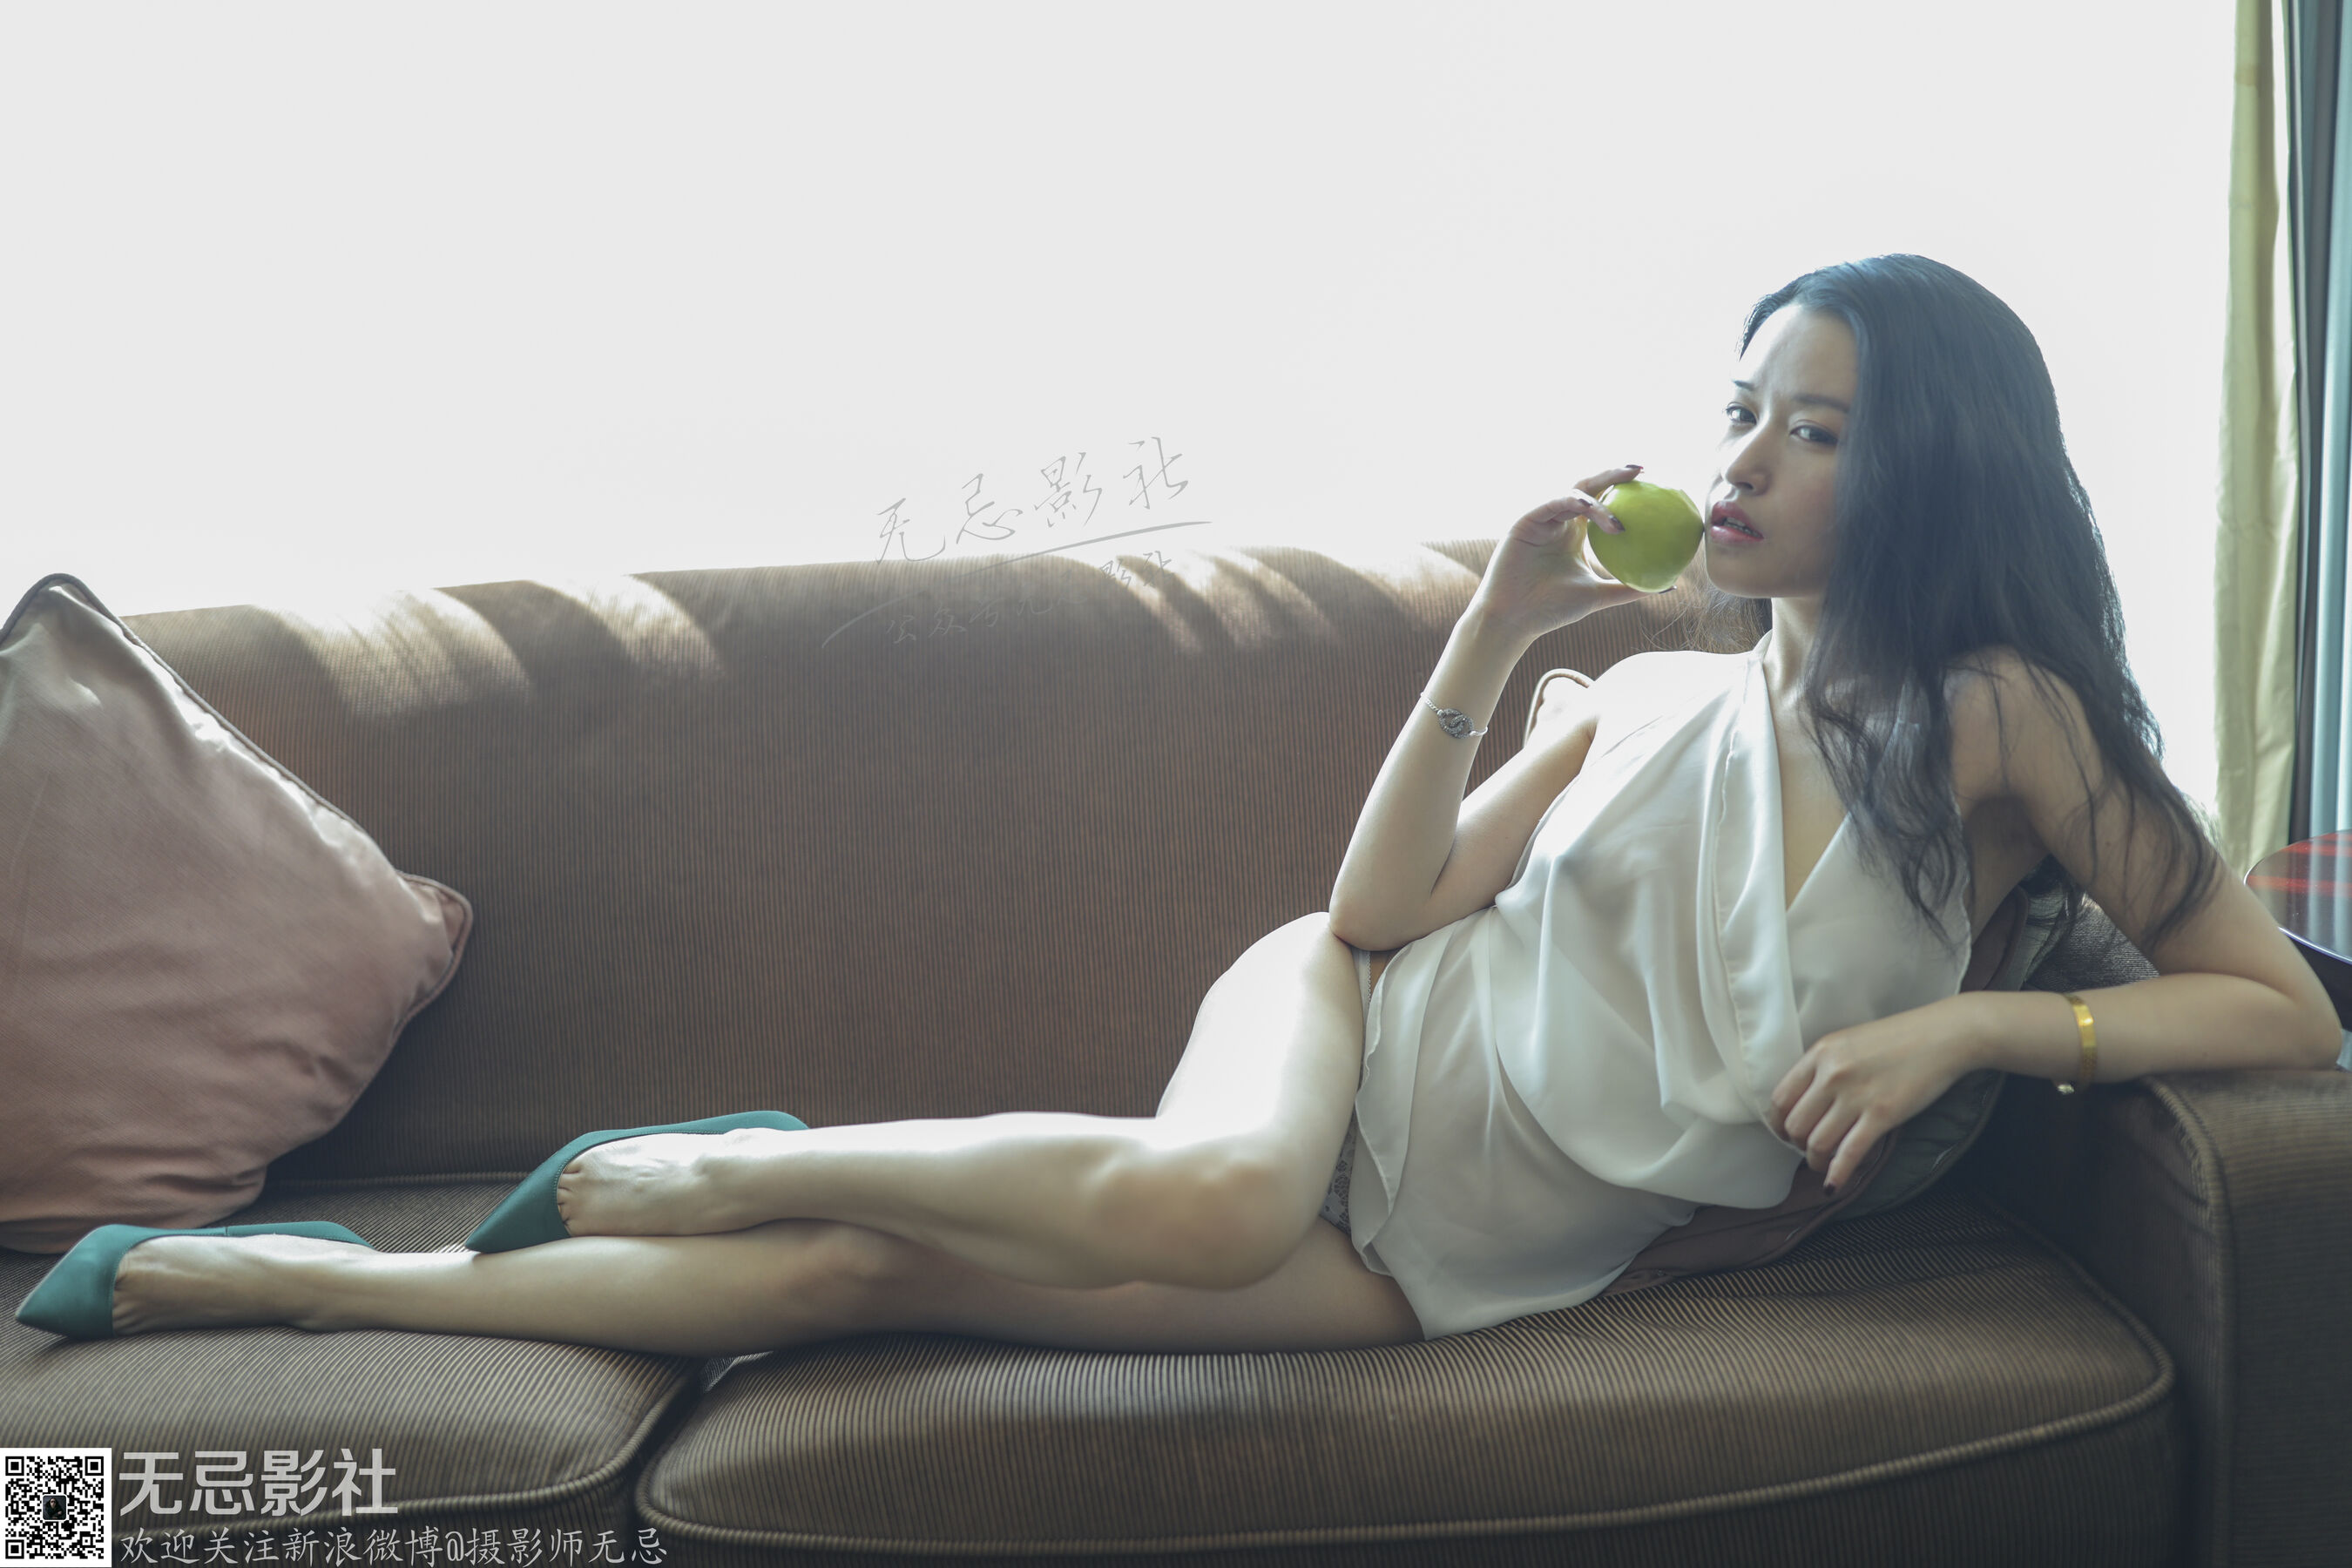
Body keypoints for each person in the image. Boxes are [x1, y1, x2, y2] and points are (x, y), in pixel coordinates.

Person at [21, 253, 2342, 1354]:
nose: (1736, 461)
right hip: (1336, 1042)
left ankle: (283, 1279)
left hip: (1458, 1256)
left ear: (1926, 465)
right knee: (1213, 1193)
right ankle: (714, 1155)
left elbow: (2280, 1010)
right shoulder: (1643, 691)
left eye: (1810, 429)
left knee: (834, 1299)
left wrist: (1971, 1028)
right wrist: (1495, 623)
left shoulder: (2001, 725)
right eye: (1737, 407)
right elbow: (1376, 911)